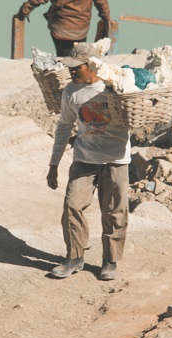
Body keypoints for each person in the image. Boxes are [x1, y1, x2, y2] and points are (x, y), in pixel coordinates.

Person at [45, 52, 130, 281]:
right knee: (72, 205)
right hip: (84, 158)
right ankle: (74, 257)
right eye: (69, 67)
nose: (71, 72)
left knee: (114, 211)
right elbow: (64, 126)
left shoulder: (114, 87)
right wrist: (54, 164)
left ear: (91, 66)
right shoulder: (70, 92)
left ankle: (110, 261)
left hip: (116, 158)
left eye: (76, 68)